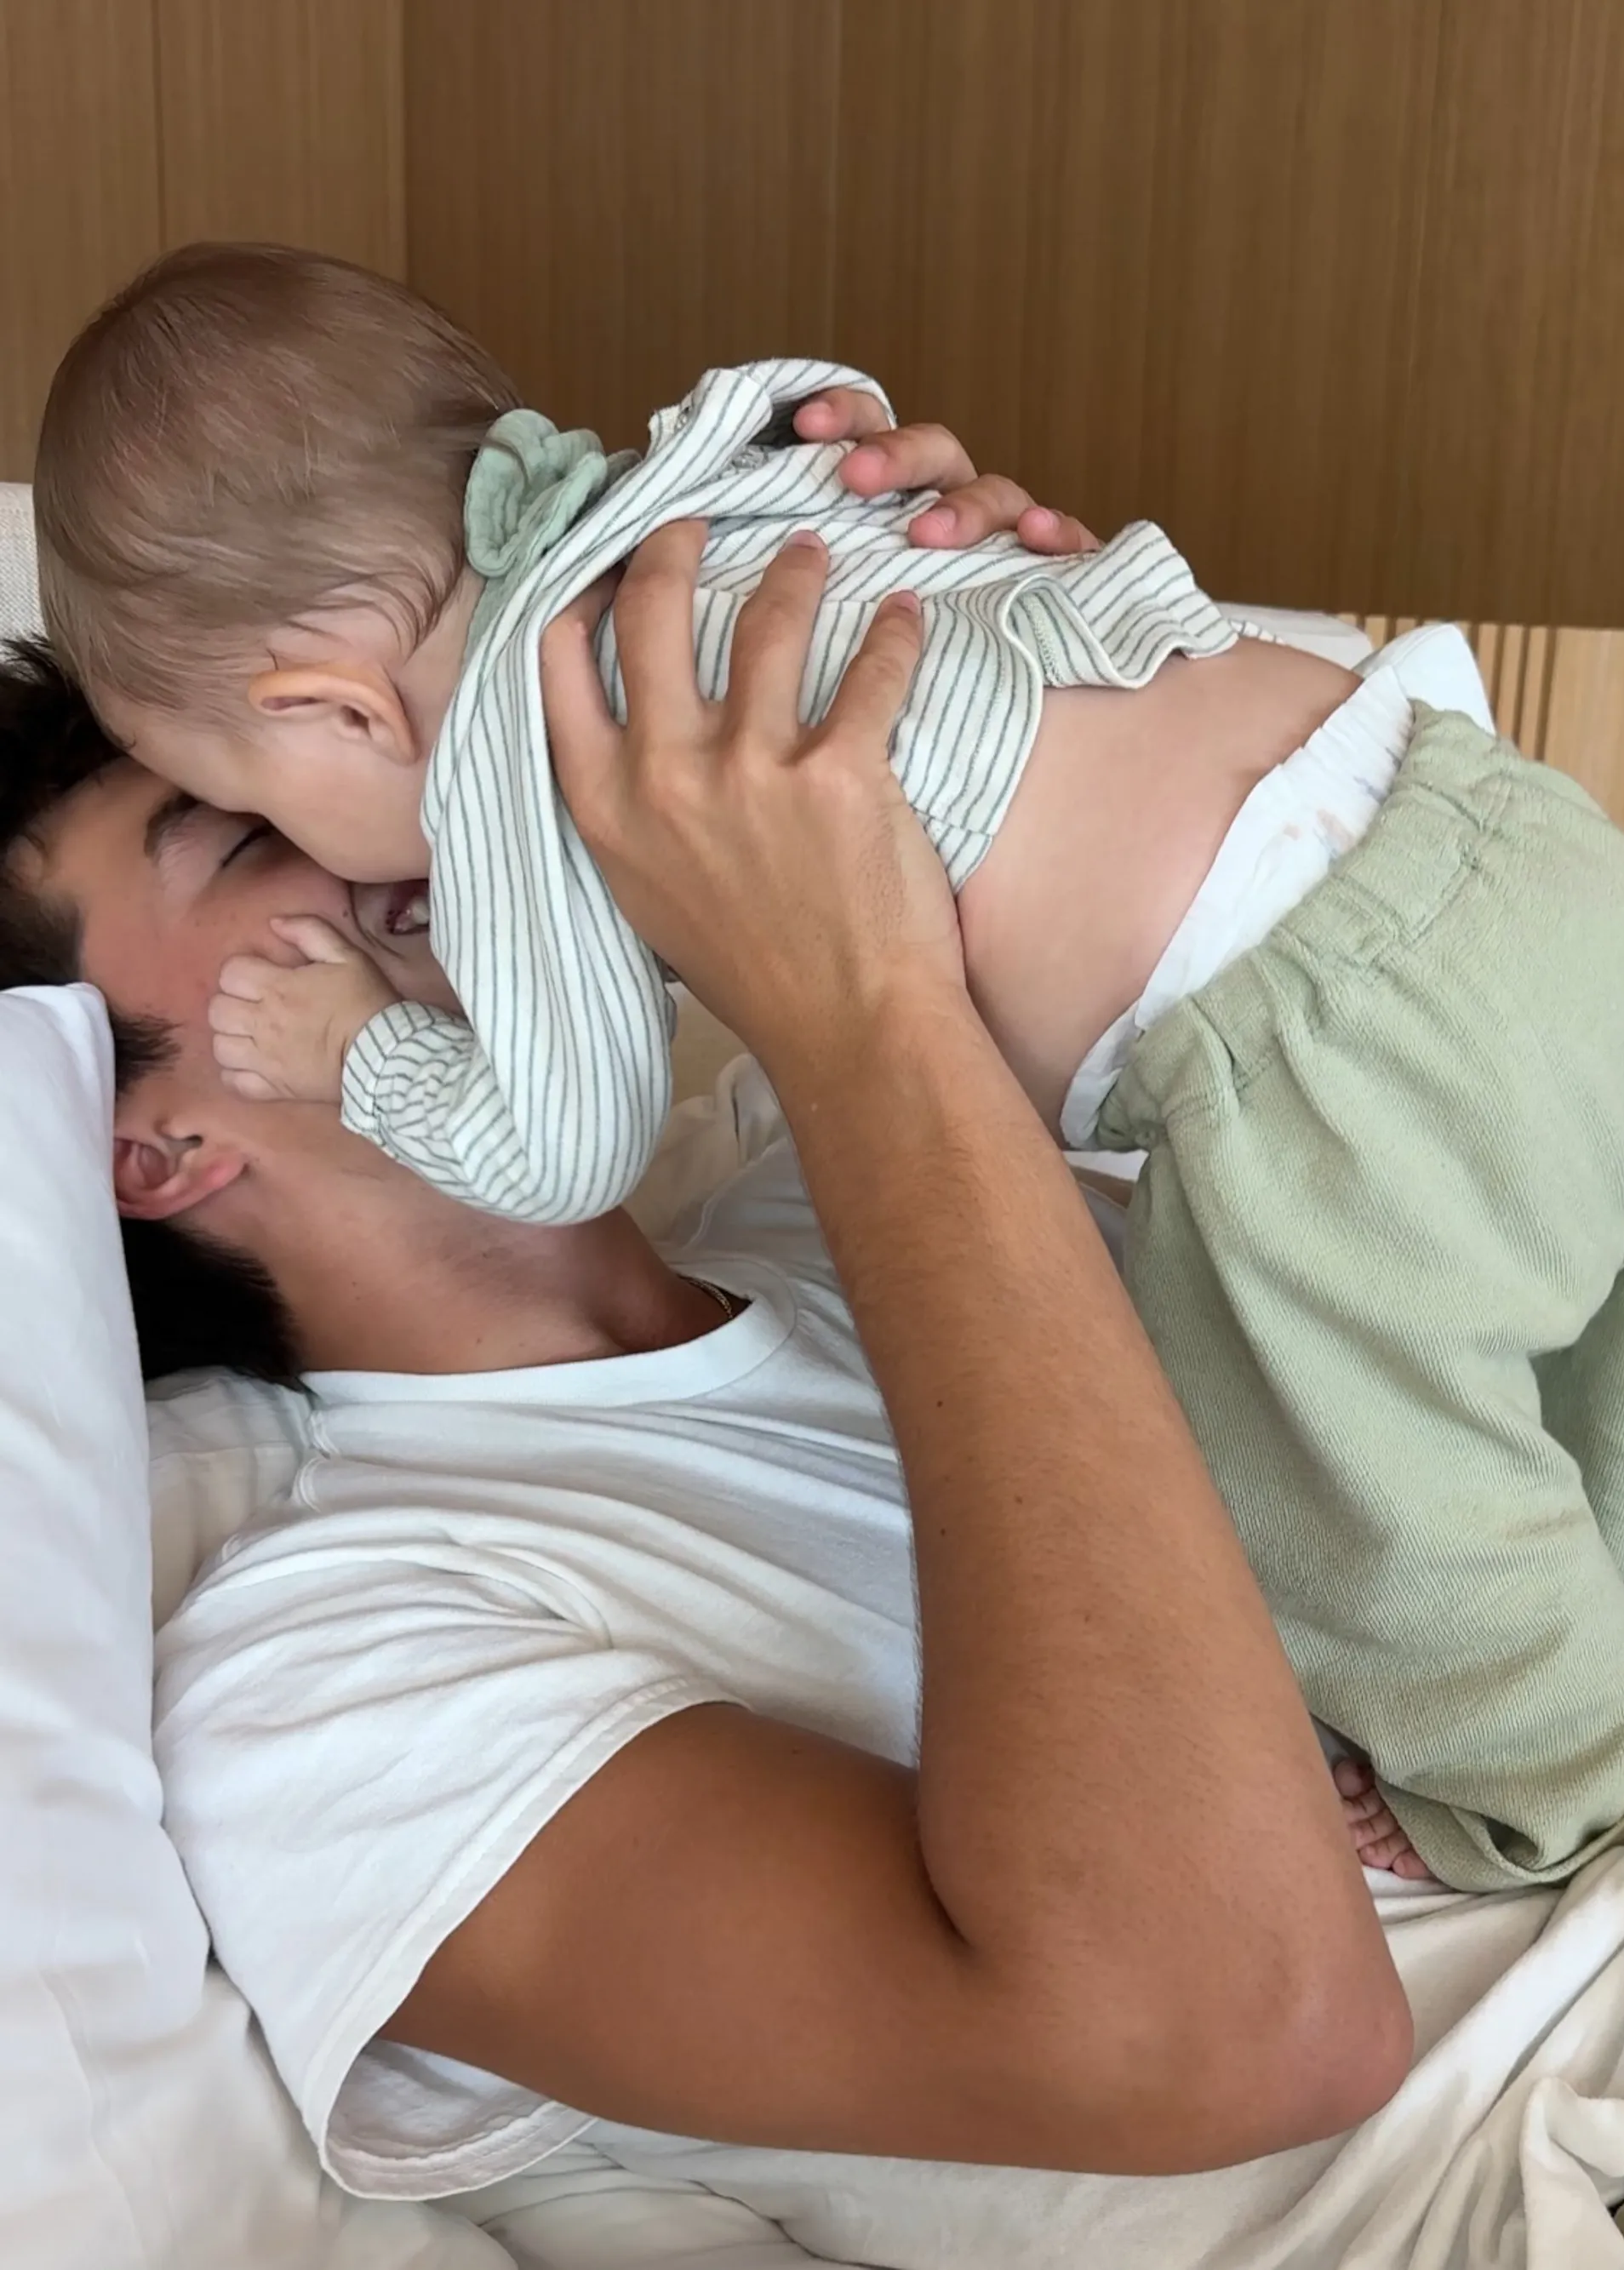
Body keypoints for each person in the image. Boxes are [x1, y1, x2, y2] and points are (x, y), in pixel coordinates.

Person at [33, 246, 1624, 1892]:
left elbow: (564, 1136)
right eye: (236, 840)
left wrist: (366, 1046)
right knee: (1598, 1327)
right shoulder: (684, 490)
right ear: (145, 1147)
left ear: (340, 708)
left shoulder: (541, 773)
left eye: (262, 808)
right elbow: (829, 417)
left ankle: (1543, 1789)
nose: (359, 876)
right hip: (1496, 822)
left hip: (1335, 1032)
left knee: (1357, 1475)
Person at [0, 550, 1410, 2212]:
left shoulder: (830, 1181)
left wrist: (936, 581)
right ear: (146, 1149)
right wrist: (861, 1006)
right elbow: (1239, 2032)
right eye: (251, 837)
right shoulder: (322, 1683)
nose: (398, 817)